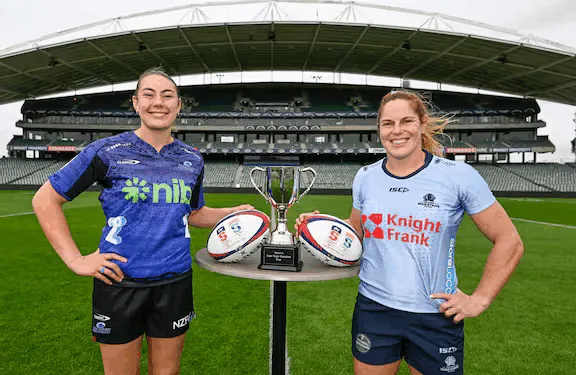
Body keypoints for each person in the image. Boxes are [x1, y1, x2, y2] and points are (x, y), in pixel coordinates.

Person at [32, 67, 253, 375]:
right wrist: (75, 259)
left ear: (179, 105)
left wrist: (233, 212)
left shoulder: (192, 159)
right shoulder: (105, 151)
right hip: (118, 282)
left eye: (167, 95)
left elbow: (192, 213)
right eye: (148, 95)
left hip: (174, 282)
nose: (158, 102)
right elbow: (45, 200)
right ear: (135, 103)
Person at [295, 90, 524, 375]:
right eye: (387, 123)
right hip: (374, 310)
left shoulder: (457, 176)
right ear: (379, 129)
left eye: (406, 121)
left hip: (436, 315)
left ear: (422, 122)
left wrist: (479, 298)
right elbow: (357, 234)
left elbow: (510, 241)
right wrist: (321, 228)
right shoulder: (366, 177)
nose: (397, 131)